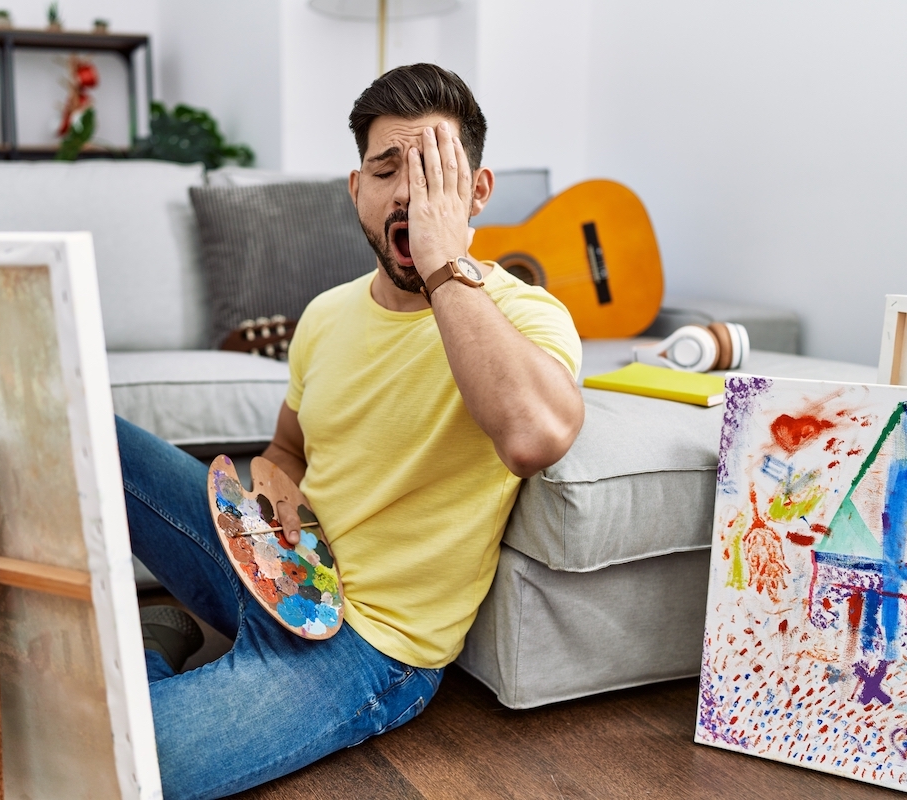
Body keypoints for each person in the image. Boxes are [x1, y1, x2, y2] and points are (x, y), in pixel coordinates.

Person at [118, 63, 584, 799]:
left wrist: (441, 263)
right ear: (355, 190)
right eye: (387, 168)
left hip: (370, 647)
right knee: (98, 436)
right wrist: (270, 517)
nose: (407, 191)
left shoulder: (523, 317)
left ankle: (151, 643)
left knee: (126, 763)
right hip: (277, 565)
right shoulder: (327, 313)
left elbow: (534, 437)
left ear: (478, 192)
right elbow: (286, 451)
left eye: (434, 170)